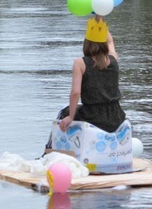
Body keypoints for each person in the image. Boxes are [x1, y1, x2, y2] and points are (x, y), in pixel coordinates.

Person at [45, 16, 126, 153]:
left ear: (86, 43)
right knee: (72, 112)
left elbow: (75, 92)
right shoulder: (113, 59)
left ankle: (52, 152)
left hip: (93, 116)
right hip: (116, 115)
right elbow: (110, 40)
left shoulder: (80, 63)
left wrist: (70, 117)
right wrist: (100, 17)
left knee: (64, 113)